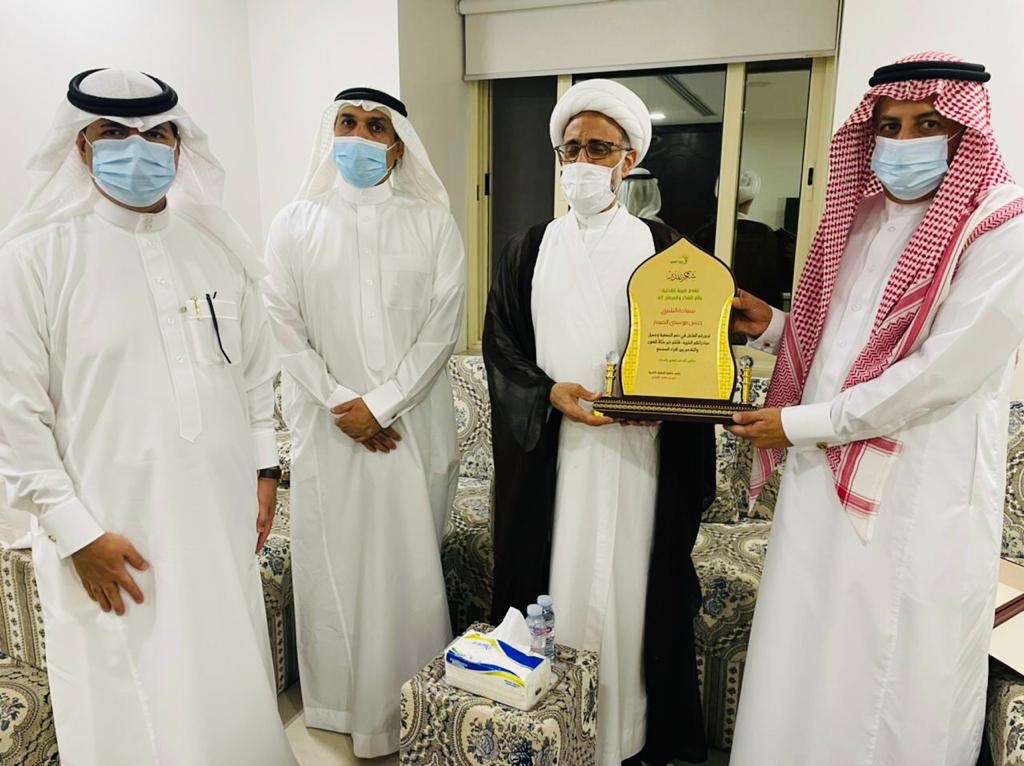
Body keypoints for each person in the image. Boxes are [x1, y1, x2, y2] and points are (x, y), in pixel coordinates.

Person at [727, 52, 1024, 766]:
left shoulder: (1001, 227)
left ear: (964, 131)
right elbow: (845, 342)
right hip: (822, 478)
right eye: (889, 126)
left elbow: (937, 375)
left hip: (916, 495)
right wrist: (773, 327)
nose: (903, 141)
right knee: (804, 649)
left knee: (884, 672)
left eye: (927, 124)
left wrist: (799, 425)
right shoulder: (861, 218)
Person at [0, 68, 296, 766]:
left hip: (217, 515)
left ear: (179, 144)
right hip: (111, 534)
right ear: (81, 146)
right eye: (114, 133)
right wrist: (77, 535)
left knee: (226, 676)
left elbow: (256, 373)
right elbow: (14, 416)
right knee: (131, 706)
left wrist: (265, 469)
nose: (139, 148)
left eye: (157, 133)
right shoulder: (35, 260)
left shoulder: (216, 247)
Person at [483, 78, 715, 766]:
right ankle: (552, 734)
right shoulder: (528, 248)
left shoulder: (665, 248)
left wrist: (663, 407)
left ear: (628, 159)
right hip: (551, 456)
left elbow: (691, 349)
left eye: (599, 148)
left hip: (636, 456)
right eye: (571, 148)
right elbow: (502, 347)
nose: (582, 160)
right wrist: (548, 394)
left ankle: (623, 734)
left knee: (629, 588)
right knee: (550, 585)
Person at [261, 86, 465, 757]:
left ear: (398, 146)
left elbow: (442, 327)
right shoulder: (294, 223)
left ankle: (412, 707)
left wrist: (381, 405)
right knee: (336, 572)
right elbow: (281, 323)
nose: (358, 136)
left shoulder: (432, 223)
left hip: (409, 433)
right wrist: (339, 402)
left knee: (407, 572)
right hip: (329, 434)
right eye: (347, 122)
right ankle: (339, 706)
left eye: (376, 126)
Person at [693, 169, 785, 308]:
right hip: (754, 310)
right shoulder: (765, 235)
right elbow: (772, 284)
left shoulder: (704, 234)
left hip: (712, 309)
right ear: (751, 200)